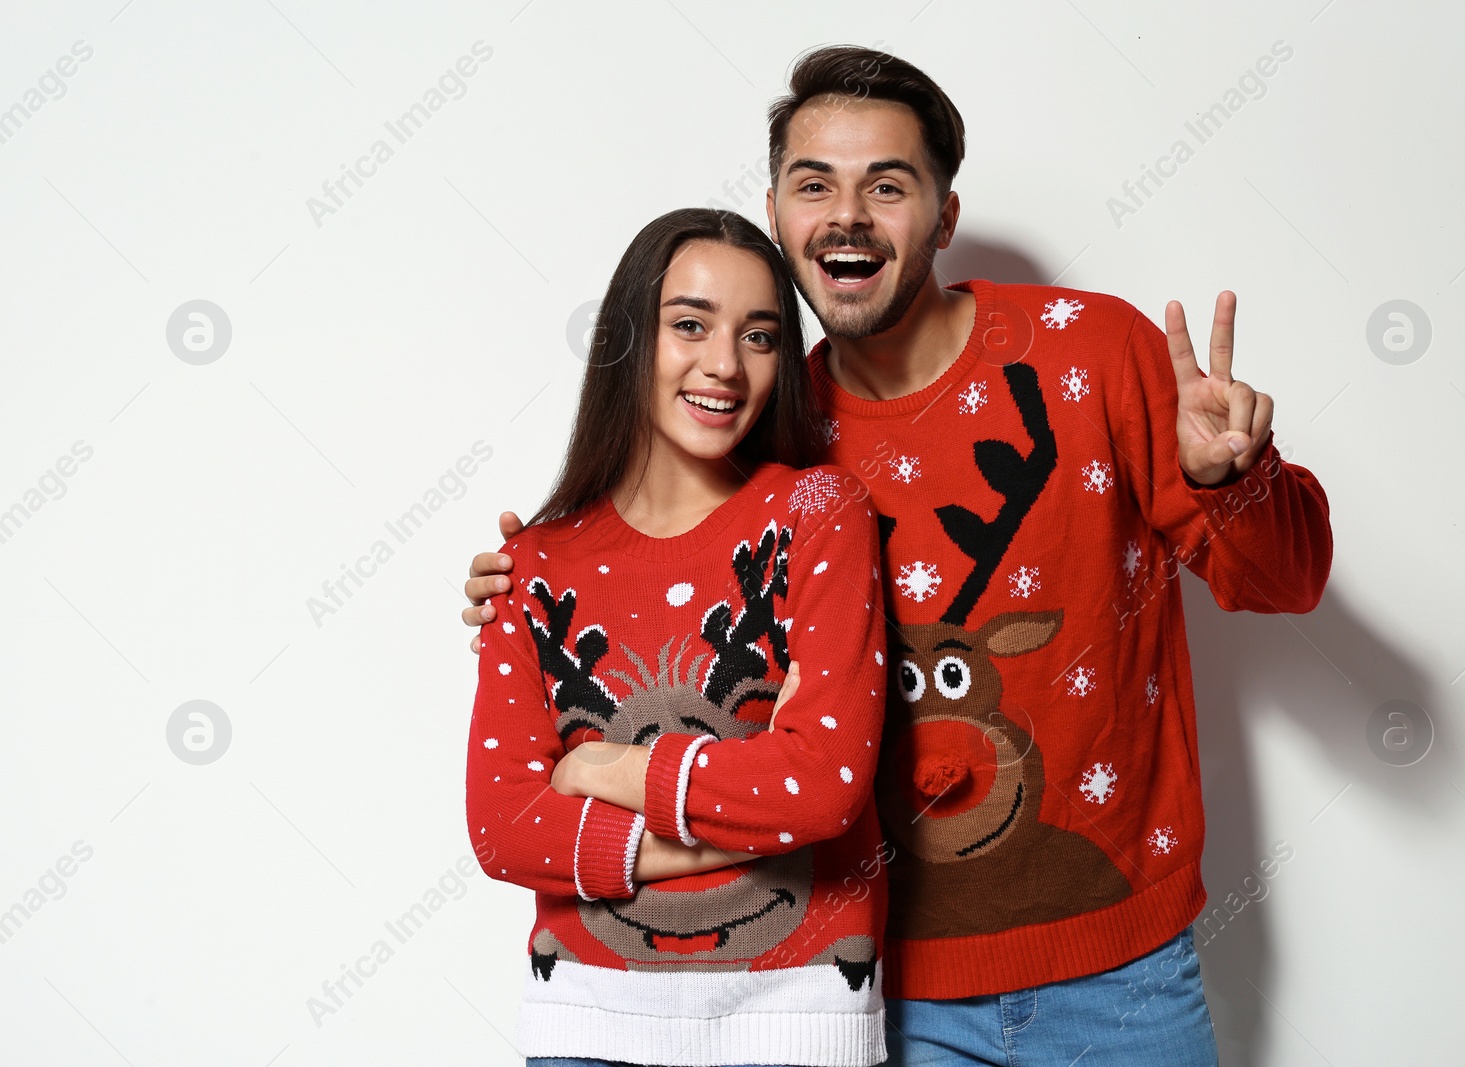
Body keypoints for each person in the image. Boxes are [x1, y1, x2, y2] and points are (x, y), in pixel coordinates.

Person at [464, 49, 1334, 1066]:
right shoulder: (762, 438)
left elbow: (1285, 581)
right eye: (814, 185)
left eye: (887, 184)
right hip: (878, 988)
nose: (848, 215)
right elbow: (645, 594)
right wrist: (523, 585)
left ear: (944, 217)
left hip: (1121, 971)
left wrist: (1235, 478)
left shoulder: (1094, 352)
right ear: (778, 215)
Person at [466, 206, 891, 1067]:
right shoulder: (532, 563)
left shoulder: (818, 514)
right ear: (628, 339)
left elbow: (821, 785)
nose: (725, 365)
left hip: (796, 1018)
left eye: (761, 336)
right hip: (588, 1023)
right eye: (689, 324)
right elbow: (505, 826)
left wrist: (608, 772)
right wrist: (733, 814)